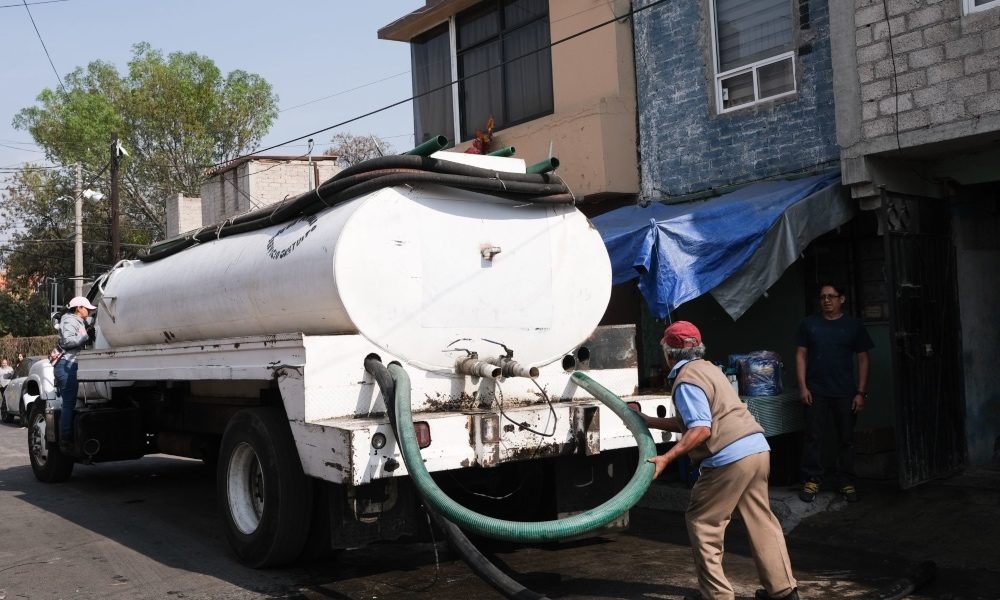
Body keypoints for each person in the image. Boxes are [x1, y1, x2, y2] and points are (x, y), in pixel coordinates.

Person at [635, 320, 799, 600]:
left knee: (703, 521)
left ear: (668, 352)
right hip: (756, 449)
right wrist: (651, 421)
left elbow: (701, 429)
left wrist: (667, 458)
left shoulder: (686, 380)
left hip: (729, 458)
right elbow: (699, 420)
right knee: (761, 519)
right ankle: (784, 591)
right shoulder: (710, 369)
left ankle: (717, 596)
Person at [795, 283, 874, 503]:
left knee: (846, 438)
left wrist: (860, 392)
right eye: (822, 297)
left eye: (831, 296)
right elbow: (800, 355)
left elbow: (863, 359)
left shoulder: (853, 326)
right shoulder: (809, 324)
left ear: (842, 299)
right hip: (815, 391)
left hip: (845, 392)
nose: (826, 301)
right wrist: (803, 387)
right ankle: (812, 480)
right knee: (813, 436)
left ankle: (845, 480)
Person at [55, 296, 97, 451]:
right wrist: (86, 335)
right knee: (69, 403)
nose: (89, 311)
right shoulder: (70, 320)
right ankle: (66, 439)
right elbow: (67, 341)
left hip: (69, 364)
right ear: (78, 308)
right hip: (67, 365)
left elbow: (91, 323)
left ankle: (67, 437)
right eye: (87, 308)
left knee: (70, 402)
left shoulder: (78, 320)